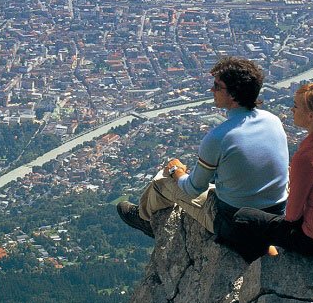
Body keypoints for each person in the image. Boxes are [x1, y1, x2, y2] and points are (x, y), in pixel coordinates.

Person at [116, 57, 289, 254]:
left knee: (162, 182)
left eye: (217, 86)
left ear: (233, 94)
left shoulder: (219, 137)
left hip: (235, 222)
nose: (211, 90)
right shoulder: (273, 121)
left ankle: (145, 219)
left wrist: (176, 171)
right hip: (275, 216)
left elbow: (193, 188)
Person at [233, 82, 313, 259]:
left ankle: (264, 262)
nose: (292, 110)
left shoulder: (308, 157)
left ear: (311, 116)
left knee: (243, 217)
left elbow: (292, 216)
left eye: (295, 106)